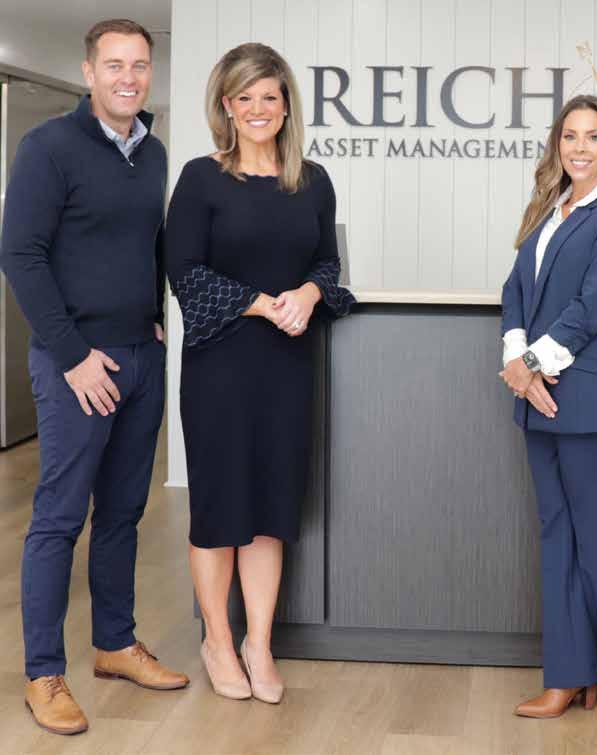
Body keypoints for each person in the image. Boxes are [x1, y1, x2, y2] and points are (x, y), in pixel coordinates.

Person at [0, 19, 189, 736]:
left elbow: (152, 245)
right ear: (88, 72)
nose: (128, 78)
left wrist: (158, 314)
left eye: (139, 65)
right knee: (58, 517)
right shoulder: (48, 147)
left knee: (122, 512)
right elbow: (20, 255)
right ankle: (44, 674)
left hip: (140, 356)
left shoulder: (154, 152)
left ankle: (114, 644)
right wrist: (74, 355)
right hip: (76, 363)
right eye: (114, 65)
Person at [166, 42, 354, 704]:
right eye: (243, 97)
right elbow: (183, 273)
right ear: (225, 105)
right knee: (220, 506)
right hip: (219, 365)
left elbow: (329, 264)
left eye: (268, 96)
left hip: (287, 365)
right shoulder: (200, 178)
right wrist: (259, 303)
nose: (257, 108)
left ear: (286, 104)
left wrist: (307, 293)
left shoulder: (313, 180)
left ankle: (259, 644)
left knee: (272, 509)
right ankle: (218, 640)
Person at [499, 94, 597, 718]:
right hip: (539, 402)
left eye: (593, 137)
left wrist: (530, 365)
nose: (579, 148)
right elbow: (515, 290)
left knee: (595, 540)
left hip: (587, 404)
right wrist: (517, 359)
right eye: (569, 136)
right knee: (557, 536)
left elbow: (592, 305)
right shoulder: (547, 208)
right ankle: (570, 673)